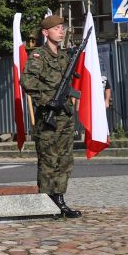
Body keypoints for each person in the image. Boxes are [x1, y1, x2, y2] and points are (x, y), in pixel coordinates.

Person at [19, 14, 81, 218]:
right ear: (46, 33)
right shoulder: (38, 55)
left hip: (65, 117)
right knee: (48, 160)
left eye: (62, 28)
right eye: (56, 28)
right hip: (49, 116)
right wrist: (48, 101)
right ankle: (46, 202)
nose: (61, 31)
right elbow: (27, 83)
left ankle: (60, 199)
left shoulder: (64, 56)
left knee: (65, 160)